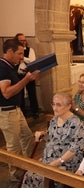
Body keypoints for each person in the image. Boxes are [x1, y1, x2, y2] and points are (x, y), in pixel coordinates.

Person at [22, 93, 84, 187]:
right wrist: (43, 135)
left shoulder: (77, 124)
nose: (55, 108)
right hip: (49, 158)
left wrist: (57, 162)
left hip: (66, 162)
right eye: (53, 104)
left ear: (68, 106)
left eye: (59, 105)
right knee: (29, 174)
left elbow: (74, 149)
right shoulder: (55, 119)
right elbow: (52, 138)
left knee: (39, 178)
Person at [0, 39, 39, 182]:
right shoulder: (2, 67)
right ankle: (16, 176)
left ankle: (28, 167)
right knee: (14, 146)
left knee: (27, 138)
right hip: (7, 112)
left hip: (16, 110)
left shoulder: (10, 66)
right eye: (19, 53)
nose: (22, 57)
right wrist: (26, 80)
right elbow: (6, 93)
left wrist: (28, 77)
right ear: (9, 52)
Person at [14, 33, 39, 119]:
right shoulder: (14, 50)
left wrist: (22, 57)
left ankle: (35, 112)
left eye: (24, 40)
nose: (23, 42)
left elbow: (32, 61)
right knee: (19, 94)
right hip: (18, 74)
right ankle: (22, 113)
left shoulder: (30, 50)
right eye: (21, 40)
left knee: (32, 93)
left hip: (29, 74)